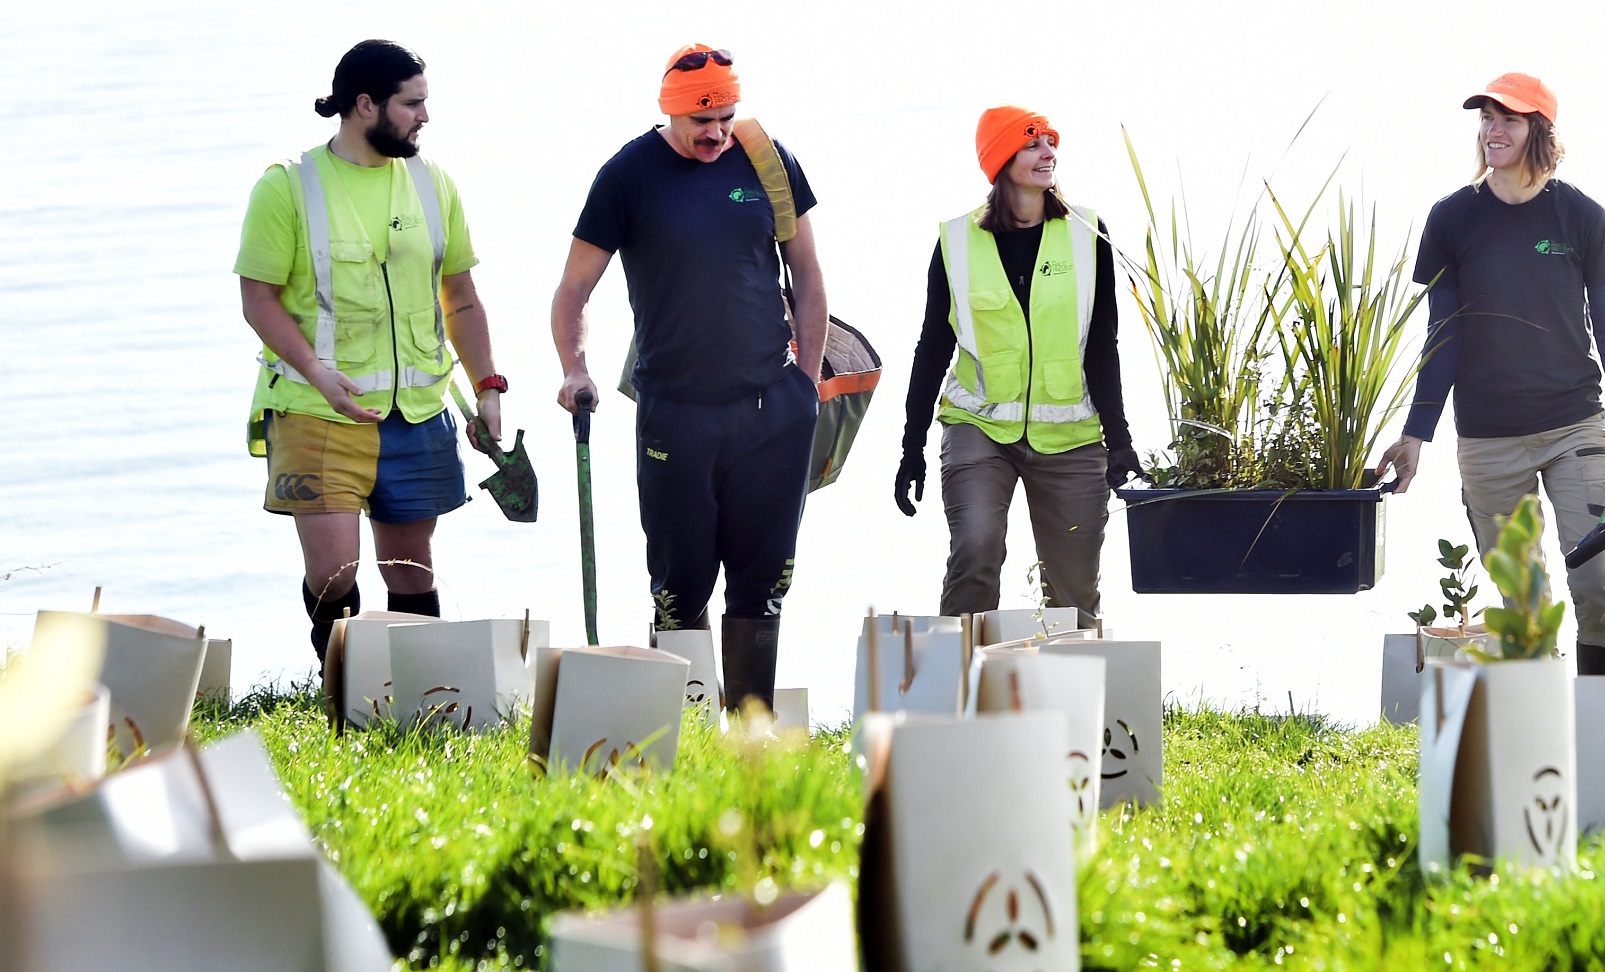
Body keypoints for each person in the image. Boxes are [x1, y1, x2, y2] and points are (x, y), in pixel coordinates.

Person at [549, 44, 825, 716]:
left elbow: (809, 277)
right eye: (703, 121)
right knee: (680, 584)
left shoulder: (768, 159)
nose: (717, 133)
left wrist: (806, 387)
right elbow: (573, 291)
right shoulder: (627, 175)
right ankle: (687, 729)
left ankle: (750, 734)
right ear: (670, 110)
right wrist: (575, 369)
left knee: (762, 585)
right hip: (675, 411)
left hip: (770, 407)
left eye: (727, 116)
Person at [236, 39, 504, 664]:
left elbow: (460, 296)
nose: (425, 117)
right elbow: (258, 299)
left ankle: (423, 702)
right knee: (334, 575)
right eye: (412, 104)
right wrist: (317, 372)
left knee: (411, 569)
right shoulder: (287, 187)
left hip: (416, 412)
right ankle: (345, 701)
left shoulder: (433, 183)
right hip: (316, 407)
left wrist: (488, 389)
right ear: (364, 105)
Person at [1376, 73, 1605, 677]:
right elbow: (1443, 334)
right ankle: (1545, 734)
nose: (1493, 130)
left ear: (1539, 132)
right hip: (1487, 440)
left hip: (1575, 426)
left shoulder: (1581, 215)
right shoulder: (1452, 218)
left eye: (1510, 119)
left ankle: (1602, 719)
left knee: (1598, 587)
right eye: (1487, 119)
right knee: (1523, 606)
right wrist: (1416, 435)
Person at [892, 106, 1140, 627]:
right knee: (976, 550)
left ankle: (1070, 705)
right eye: (1033, 144)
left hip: (1071, 436)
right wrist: (911, 445)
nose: (1049, 153)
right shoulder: (956, 241)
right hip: (980, 428)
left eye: (1051, 142)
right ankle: (961, 694)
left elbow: (1102, 344)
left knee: (1073, 594)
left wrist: (1119, 440)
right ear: (1002, 160)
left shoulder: (1087, 233)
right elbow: (933, 345)